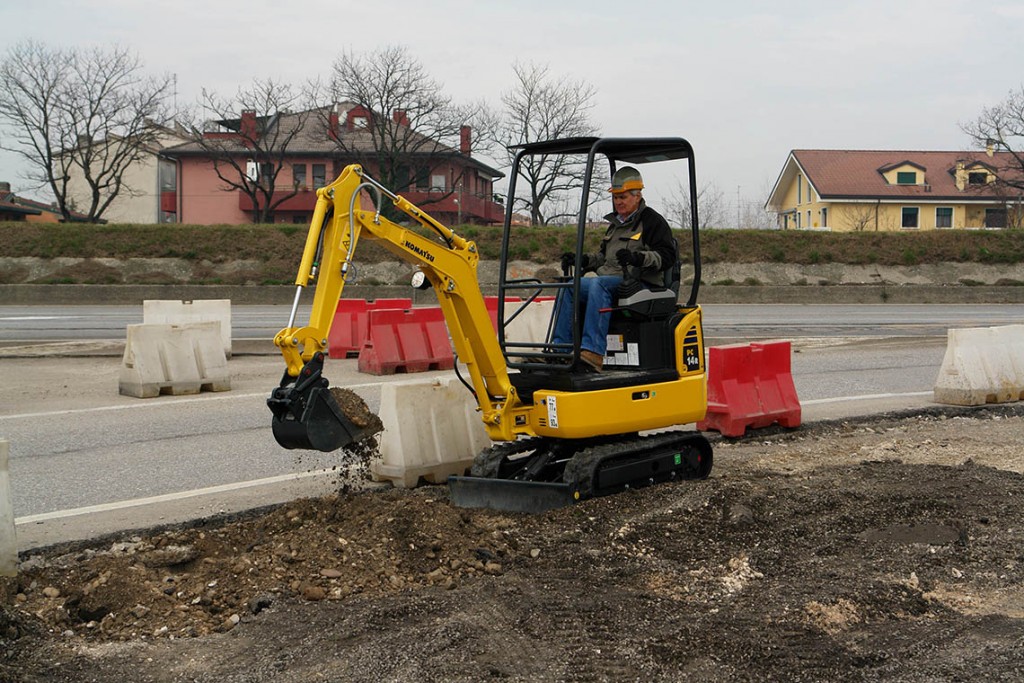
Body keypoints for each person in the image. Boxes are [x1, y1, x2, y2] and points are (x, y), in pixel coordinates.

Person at [551, 166, 677, 372]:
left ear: (637, 196)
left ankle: (592, 352)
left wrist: (637, 258)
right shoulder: (615, 225)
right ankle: (561, 349)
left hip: (640, 283)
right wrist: (583, 260)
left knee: (598, 285)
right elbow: (603, 258)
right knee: (570, 285)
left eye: (623, 196)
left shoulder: (652, 221)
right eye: (616, 197)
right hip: (611, 280)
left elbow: (666, 256)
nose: (618, 201)